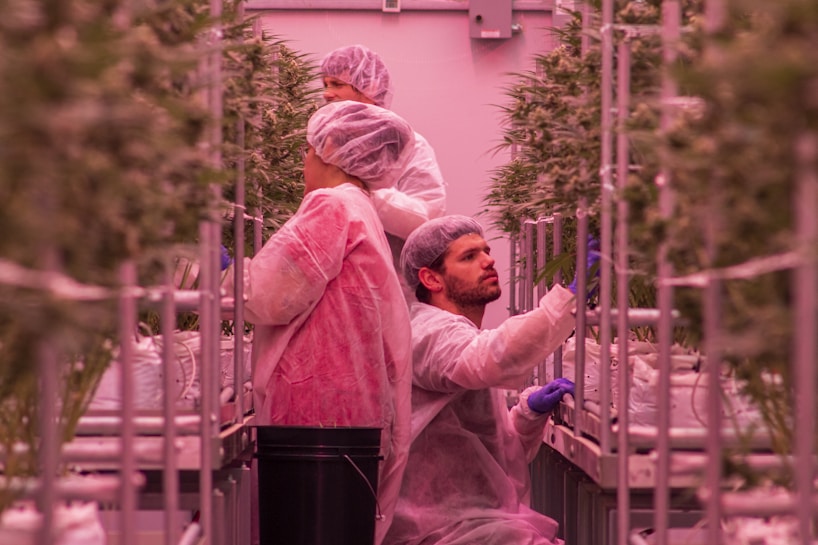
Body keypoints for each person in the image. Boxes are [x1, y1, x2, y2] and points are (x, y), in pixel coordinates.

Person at [223, 100, 415, 545]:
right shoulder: (362, 207)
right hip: (346, 410)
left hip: (315, 411)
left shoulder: (332, 206)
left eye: (307, 149)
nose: (304, 160)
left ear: (328, 146)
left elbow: (269, 297)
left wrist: (217, 272)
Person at [384, 215, 580, 545]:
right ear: (431, 279)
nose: (488, 260)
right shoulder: (427, 331)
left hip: (470, 525)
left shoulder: (451, 333)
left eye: (486, 250)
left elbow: (488, 453)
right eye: (469, 256)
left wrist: (526, 416)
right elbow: (489, 358)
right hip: (442, 529)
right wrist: (566, 301)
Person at [320, 44, 448, 272]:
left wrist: (360, 189)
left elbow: (426, 219)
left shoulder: (407, 144)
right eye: (326, 84)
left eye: (337, 84)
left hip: (395, 284)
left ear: (370, 87)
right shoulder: (322, 144)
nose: (326, 93)